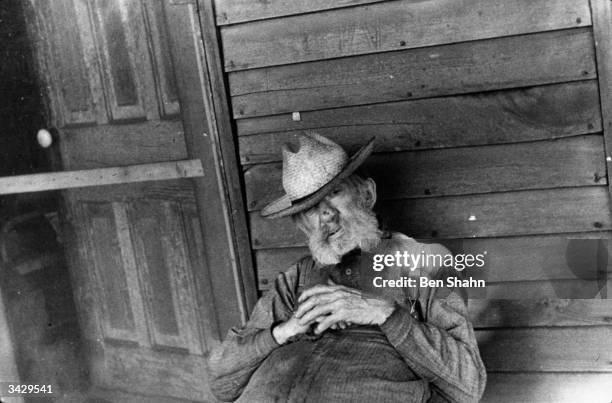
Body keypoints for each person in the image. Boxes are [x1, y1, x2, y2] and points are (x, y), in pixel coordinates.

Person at [208, 133, 486, 402]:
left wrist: (386, 314)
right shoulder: (296, 278)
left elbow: (467, 387)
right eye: (311, 208)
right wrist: (282, 332)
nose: (326, 213)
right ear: (303, 225)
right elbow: (222, 381)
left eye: (335, 192)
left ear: (367, 194)